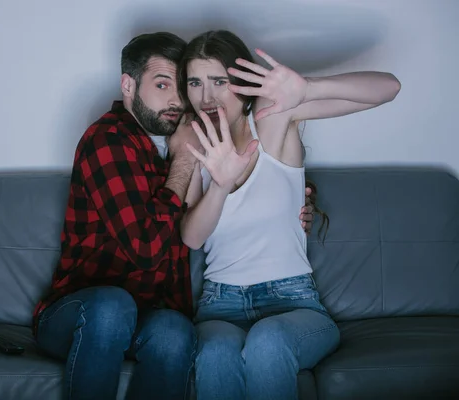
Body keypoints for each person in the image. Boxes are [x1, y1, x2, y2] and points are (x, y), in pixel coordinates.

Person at [32, 31, 315, 400]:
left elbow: (243, 190)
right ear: (128, 85)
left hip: (144, 319)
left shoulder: (184, 144)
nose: (176, 100)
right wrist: (182, 160)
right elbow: (147, 249)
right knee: (112, 307)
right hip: (80, 318)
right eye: (162, 84)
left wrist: (293, 198)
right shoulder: (108, 140)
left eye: (182, 87)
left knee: (174, 330)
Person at [178, 30, 401, 400]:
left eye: (220, 81)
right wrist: (219, 184)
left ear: (242, 81)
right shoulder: (194, 142)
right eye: (195, 83)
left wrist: (308, 88)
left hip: (292, 300)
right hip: (220, 305)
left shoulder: (272, 116)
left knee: (268, 341)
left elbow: (388, 88)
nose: (207, 97)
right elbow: (192, 238)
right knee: (215, 352)